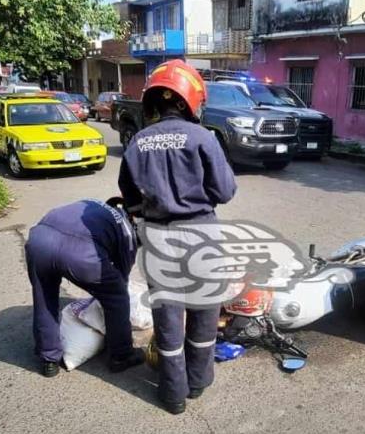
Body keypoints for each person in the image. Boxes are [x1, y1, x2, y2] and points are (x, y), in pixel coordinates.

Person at [118, 59, 237, 415]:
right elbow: (225, 190)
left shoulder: (138, 142)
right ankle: (198, 383)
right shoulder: (204, 137)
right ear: (191, 100)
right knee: (203, 315)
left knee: (168, 320)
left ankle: (173, 395)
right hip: (202, 236)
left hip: (159, 239)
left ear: (154, 101)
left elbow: (129, 196)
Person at [25, 198, 142, 378]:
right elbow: (122, 276)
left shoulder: (95, 205)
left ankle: (48, 358)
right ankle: (121, 355)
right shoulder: (127, 230)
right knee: (117, 296)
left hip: (38, 241)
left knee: (44, 298)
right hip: (79, 255)